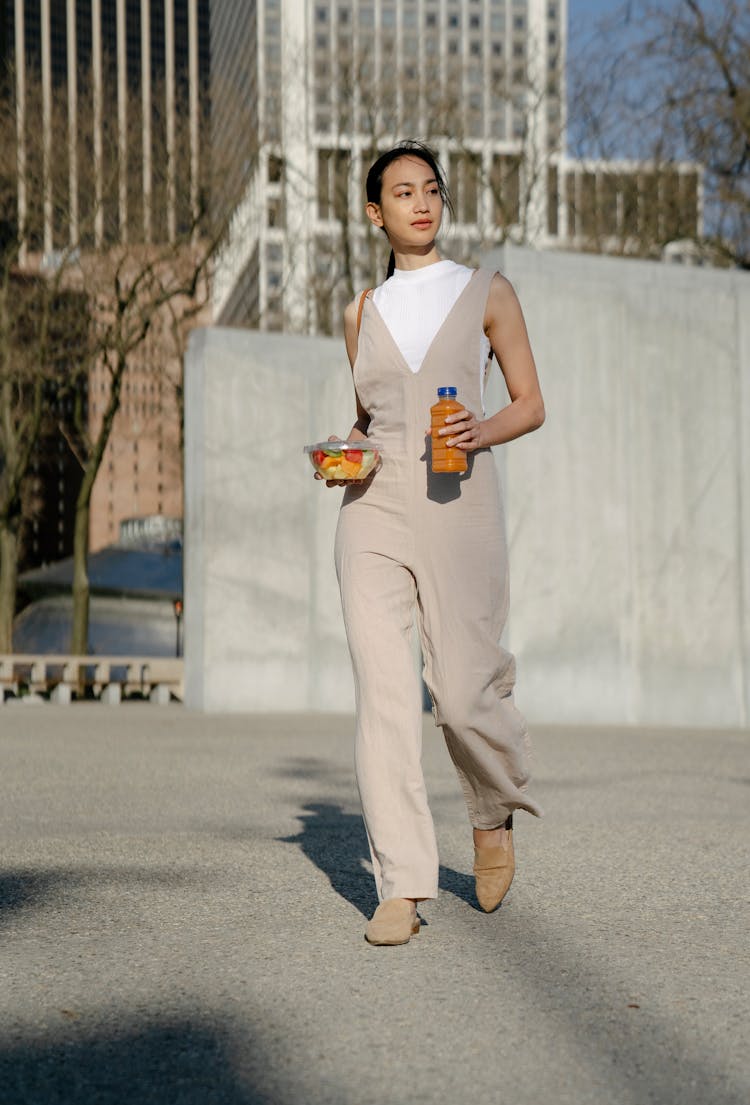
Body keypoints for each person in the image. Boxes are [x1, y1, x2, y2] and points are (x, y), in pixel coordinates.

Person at [318, 140, 545, 946]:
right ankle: (401, 883)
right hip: (371, 507)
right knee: (384, 696)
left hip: (459, 496)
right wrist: (342, 451)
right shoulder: (360, 311)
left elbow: (530, 402)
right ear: (375, 213)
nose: (421, 202)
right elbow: (369, 414)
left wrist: (481, 430)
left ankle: (491, 808)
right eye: (402, 192)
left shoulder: (488, 291)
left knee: (463, 689)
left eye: (431, 190)